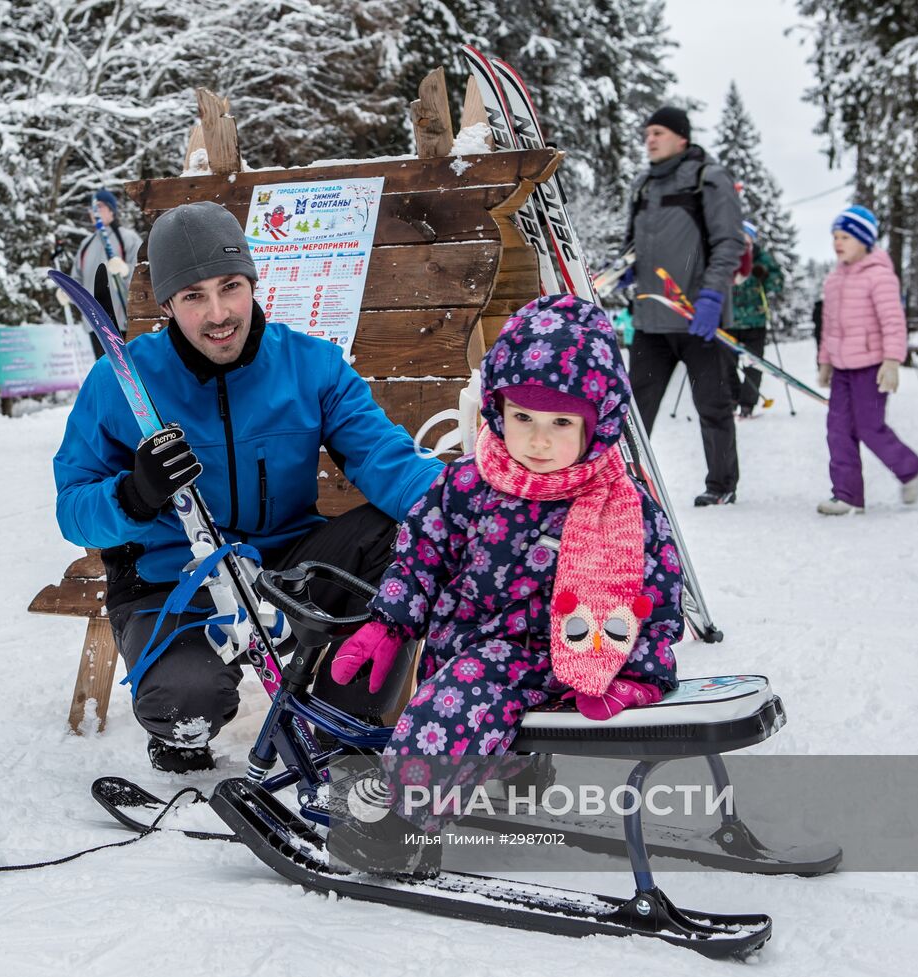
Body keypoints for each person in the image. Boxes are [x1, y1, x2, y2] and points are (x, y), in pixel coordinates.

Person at [53, 200, 442, 772]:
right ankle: (180, 732)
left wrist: (468, 505)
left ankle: (341, 725)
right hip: (175, 580)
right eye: (193, 296)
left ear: (253, 281)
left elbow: (386, 458)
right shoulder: (119, 382)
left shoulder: (312, 366)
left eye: (230, 286)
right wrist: (133, 494)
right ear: (167, 305)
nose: (218, 313)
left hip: (287, 564)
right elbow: (72, 509)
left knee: (398, 531)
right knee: (188, 700)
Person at [324, 294, 682, 875]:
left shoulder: (622, 504)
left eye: (561, 423)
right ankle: (516, 769)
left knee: (455, 705)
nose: (538, 442)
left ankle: (396, 824)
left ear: (597, 425)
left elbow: (657, 594)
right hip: (468, 646)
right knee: (463, 700)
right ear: (496, 410)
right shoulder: (468, 483)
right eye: (523, 419)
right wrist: (390, 620)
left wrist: (639, 671)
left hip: (570, 656)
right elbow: (423, 554)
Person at [621, 105, 746, 506]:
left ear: (682, 137)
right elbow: (631, 246)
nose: (650, 139)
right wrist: (625, 269)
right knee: (635, 411)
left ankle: (721, 485)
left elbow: (729, 243)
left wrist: (712, 296)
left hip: (698, 319)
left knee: (713, 404)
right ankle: (625, 481)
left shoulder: (708, 179)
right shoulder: (642, 185)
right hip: (651, 319)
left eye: (658, 132)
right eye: (647, 133)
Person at [816, 205, 918, 515]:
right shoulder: (834, 280)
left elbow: (893, 322)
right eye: (835, 236)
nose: (838, 242)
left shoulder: (880, 277)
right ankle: (847, 495)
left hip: (871, 368)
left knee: (869, 428)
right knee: (837, 430)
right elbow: (829, 327)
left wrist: (891, 361)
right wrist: (825, 362)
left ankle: (910, 469)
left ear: (864, 240)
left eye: (846, 236)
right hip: (842, 370)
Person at [729, 220, 786, 418]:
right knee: (725, 362)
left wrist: (766, 276)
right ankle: (733, 398)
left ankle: (747, 404)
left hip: (755, 320)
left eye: (747, 238)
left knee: (754, 363)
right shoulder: (725, 255)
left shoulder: (762, 258)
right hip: (728, 319)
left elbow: (777, 284)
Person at [70, 188, 142, 334]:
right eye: (91, 208)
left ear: (111, 210)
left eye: (99, 206)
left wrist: (126, 269)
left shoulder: (128, 238)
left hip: (122, 323)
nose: (94, 211)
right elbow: (77, 278)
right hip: (94, 325)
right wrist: (68, 291)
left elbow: (145, 273)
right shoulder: (86, 244)